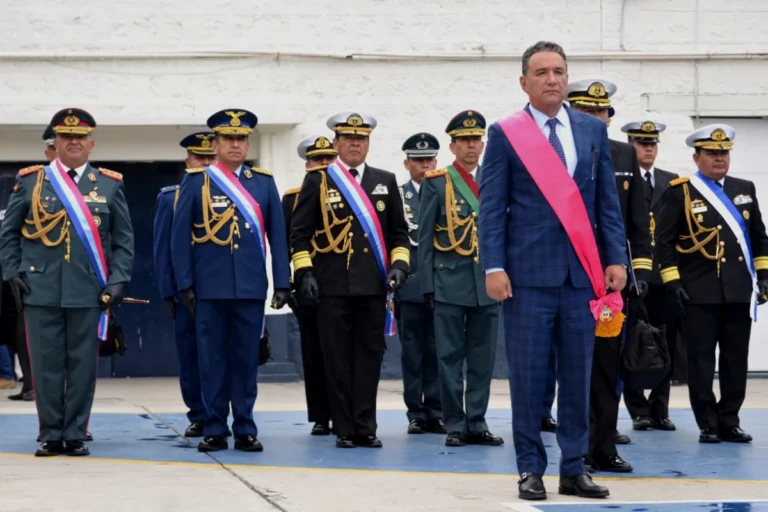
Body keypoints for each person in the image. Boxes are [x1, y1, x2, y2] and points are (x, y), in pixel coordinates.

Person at [478, 41, 628, 500]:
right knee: (528, 378)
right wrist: (494, 266)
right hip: (526, 279)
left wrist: (616, 257)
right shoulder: (507, 133)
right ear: (524, 82)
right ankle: (530, 469)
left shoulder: (591, 131)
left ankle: (574, 467)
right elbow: (492, 206)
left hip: (582, 276)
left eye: (559, 71)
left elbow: (605, 203)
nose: (552, 79)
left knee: (579, 376)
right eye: (541, 72)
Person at [0, 108, 134, 457]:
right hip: (39, 289)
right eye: (65, 136)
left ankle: (74, 433)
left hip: (89, 290)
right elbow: (9, 233)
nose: (73, 142)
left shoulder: (108, 184)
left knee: (81, 366)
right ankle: (50, 433)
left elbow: (123, 240)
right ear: (55, 143)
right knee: (45, 367)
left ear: (91, 143)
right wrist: (11, 272)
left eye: (80, 137)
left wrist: (118, 280)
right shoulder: (31, 181)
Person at [170, 109, 291, 452]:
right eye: (228, 139)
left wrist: (282, 282)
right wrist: (185, 284)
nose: (235, 145)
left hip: (250, 287)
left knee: (245, 361)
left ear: (247, 142)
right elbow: (179, 240)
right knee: (211, 361)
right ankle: (213, 427)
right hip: (209, 288)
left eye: (241, 139)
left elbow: (278, 237)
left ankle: (245, 427)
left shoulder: (263, 182)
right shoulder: (196, 182)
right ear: (216, 143)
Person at [289, 111, 409, 448]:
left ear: (368, 144)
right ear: (337, 143)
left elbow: (399, 234)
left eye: (362, 139)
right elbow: (299, 234)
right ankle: (343, 427)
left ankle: (365, 426)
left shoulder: (385, 180)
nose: (355, 144)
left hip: (374, 286)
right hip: (332, 287)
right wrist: (305, 272)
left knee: (369, 357)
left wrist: (400, 267)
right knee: (337, 359)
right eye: (349, 138)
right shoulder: (318, 180)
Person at [656, 124, 768, 444]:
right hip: (698, 291)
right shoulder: (681, 191)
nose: (719, 158)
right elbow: (664, 243)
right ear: (697, 157)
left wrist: (763, 276)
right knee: (701, 360)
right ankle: (707, 421)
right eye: (712, 153)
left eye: (724, 153)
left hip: (737, 291)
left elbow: (759, 239)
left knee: (735, 359)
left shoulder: (744, 188)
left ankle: (729, 419)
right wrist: (672, 282)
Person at [418, 112, 503, 448]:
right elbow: (425, 238)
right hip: (448, 282)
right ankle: (454, 422)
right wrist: (426, 284)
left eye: (476, 139)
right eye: (464, 140)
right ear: (452, 145)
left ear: (483, 143)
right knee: (450, 357)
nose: (471, 145)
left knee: (483, 358)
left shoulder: (495, 179)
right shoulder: (437, 182)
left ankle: (477, 421)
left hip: (487, 284)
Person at [153, 131, 215, 437]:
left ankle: (224, 412)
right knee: (191, 355)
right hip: (187, 293)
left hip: (225, 288)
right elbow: (162, 248)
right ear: (187, 160)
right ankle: (199, 414)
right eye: (199, 157)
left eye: (210, 157)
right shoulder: (170, 197)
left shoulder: (238, 194)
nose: (204, 163)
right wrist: (169, 290)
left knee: (226, 355)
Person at [619, 120, 680, 432]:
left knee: (663, 342)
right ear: (630, 144)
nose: (648, 149)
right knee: (632, 343)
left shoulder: (671, 183)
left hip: (663, 277)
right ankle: (637, 409)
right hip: (632, 276)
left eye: (652, 143)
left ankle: (660, 408)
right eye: (642, 143)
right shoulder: (623, 179)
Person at [282, 134, 337, 436]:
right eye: (318, 160)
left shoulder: (353, 194)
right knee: (314, 353)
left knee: (344, 353)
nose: (324, 165)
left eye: (329, 159)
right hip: (308, 284)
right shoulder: (293, 198)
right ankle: (320, 415)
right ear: (307, 164)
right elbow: (285, 244)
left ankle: (345, 412)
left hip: (343, 282)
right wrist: (290, 283)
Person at [397, 132, 444, 435]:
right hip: (411, 285)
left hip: (441, 284)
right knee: (412, 353)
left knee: (439, 351)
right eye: (418, 160)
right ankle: (415, 411)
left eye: (429, 159)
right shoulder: (397, 195)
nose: (424, 165)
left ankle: (437, 410)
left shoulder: (446, 192)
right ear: (407, 163)